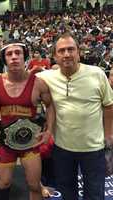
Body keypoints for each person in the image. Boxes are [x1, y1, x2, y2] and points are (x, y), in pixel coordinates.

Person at [37, 31, 113, 200]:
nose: (66, 54)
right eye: (61, 51)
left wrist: (108, 136)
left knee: (95, 195)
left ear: (79, 52)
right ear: (55, 56)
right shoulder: (46, 77)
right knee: (68, 193)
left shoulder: (97, 74)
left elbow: (109, 106)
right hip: (62, 149)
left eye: (71, 49)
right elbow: (20, 79)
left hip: (93, 149)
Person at [0, 40, 55, 200]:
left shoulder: (38, 83)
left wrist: (49, 131)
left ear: (25, 57)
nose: (14, 57)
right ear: (4, 59)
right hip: (6, 144)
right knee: (3, 184)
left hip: (30, 144)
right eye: (9, 54)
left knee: (34, 185)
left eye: (18, 53)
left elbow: (50, 106)